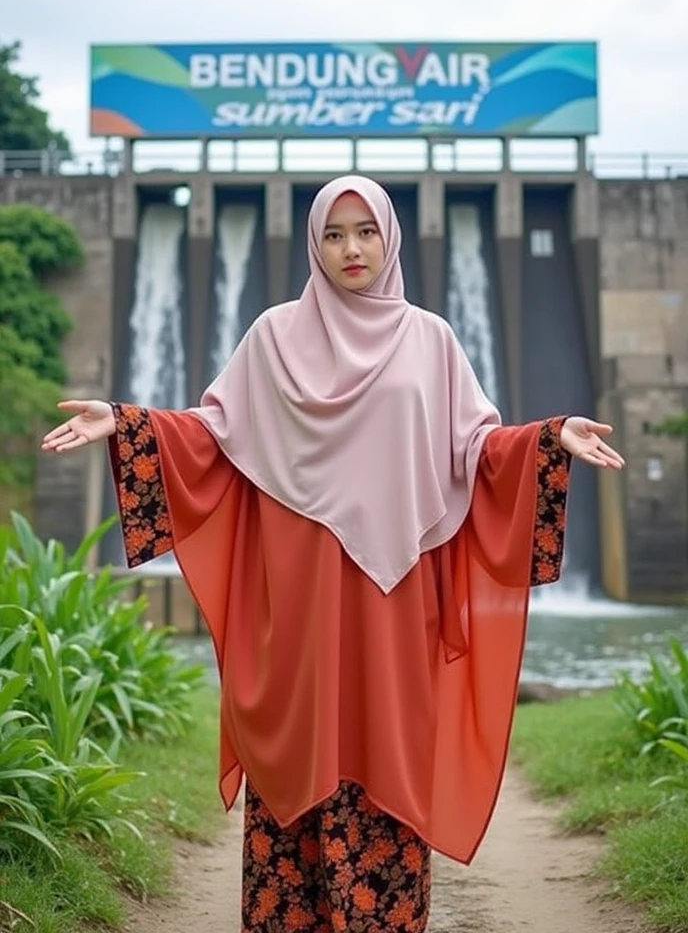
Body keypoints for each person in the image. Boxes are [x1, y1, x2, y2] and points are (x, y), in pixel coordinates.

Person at [42, 175, 625, 933]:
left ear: (390, 237)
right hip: (301, 599)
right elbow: (214, 438)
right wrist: (126, 424)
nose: (352, 249)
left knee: (390, 752)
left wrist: (548, 440)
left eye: (366, 231)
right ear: (314, 245)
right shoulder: (274, 336)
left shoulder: (432, 340)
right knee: (298, 749)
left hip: (397, 596)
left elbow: (477, 449)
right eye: (333, 234)